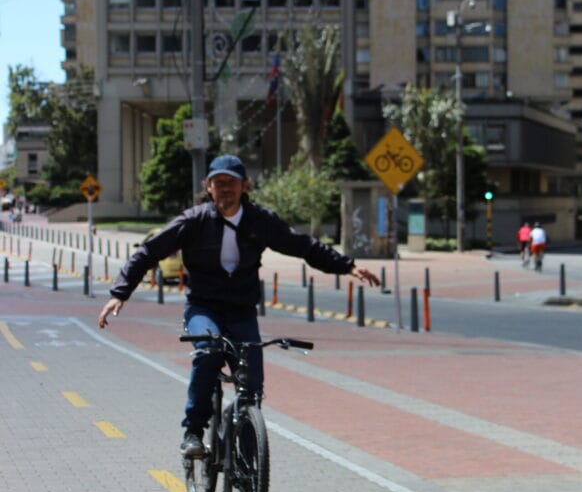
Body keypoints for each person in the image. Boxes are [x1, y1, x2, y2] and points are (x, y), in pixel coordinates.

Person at [98, 154, 381, 457]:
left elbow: (303, 246)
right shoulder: (194, 221)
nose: (225, 189)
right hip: (203, 308)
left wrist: (347, 266)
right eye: (219, 183)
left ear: (245, 186)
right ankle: (193, 431)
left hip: (242, 310)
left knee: (251, 388)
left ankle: (247, 462)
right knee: (208, 351)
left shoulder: (260, 221)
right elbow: (148, 252)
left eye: (231, 183)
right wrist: (120, 292)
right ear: (208, 187)